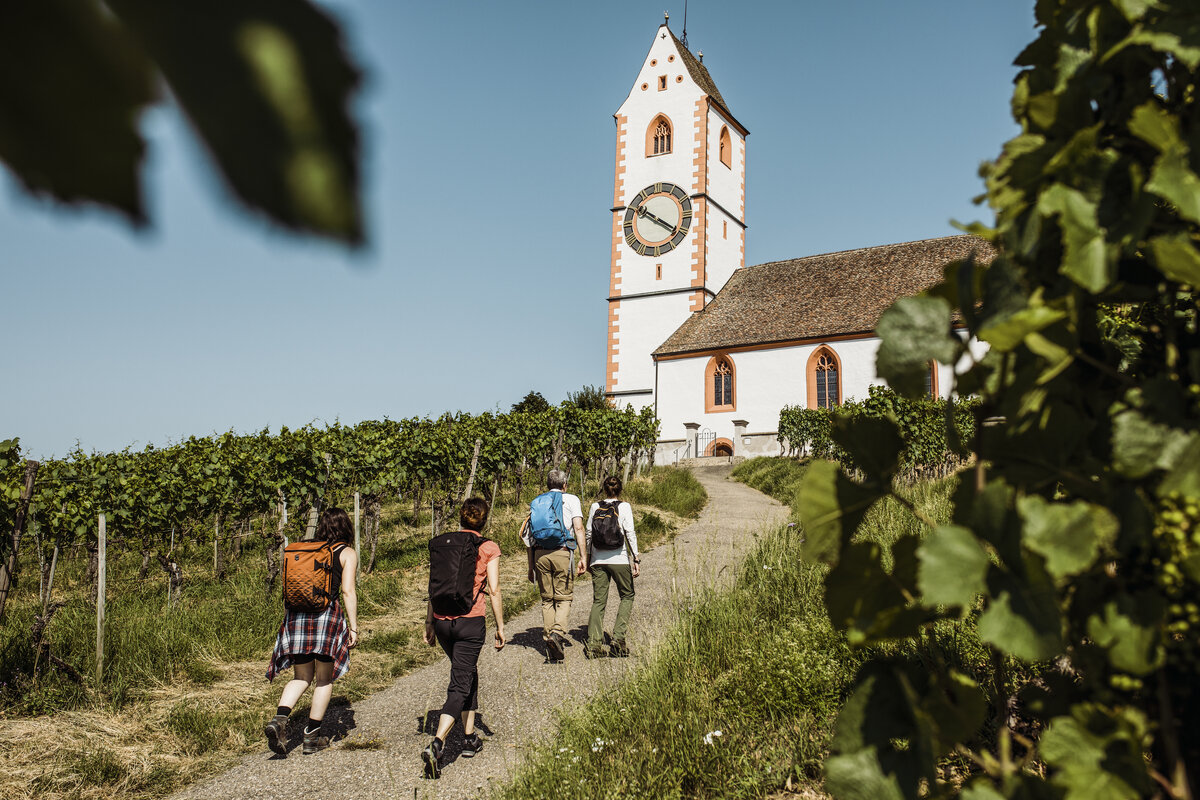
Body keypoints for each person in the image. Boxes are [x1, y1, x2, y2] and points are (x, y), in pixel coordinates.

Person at [421, 497, 505, 779]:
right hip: (471, 622)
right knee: (459, 682)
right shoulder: (488, 547)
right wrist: (501, 626)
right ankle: (438, 743)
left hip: (443, 622)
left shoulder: (443, 543)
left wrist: (429, 621)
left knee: (467, 673)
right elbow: (493, 590)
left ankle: (469, 738)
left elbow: (435, 584)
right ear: (484, 519)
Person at [264, 508, 359, 756]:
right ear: (346, 528)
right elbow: (348, 591)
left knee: (301, 676)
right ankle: (312, 737)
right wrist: (354, 626)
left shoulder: (309, 551)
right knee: (323, 678)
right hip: (326, 617)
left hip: (297, 617)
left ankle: (280, 719)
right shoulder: (346, 553)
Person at [524, 468, 587, 662]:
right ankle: (557, 634)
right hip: (562, 552)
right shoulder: (572, 500)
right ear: (565, 485)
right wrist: (583, 556)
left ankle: (548, 639)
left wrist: (530, 566)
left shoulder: (537, 502)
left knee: (546, 599)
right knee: (564, 597)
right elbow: (578, 527)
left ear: (547, 485)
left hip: (540, 554)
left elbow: (529, 537)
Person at [585, 475, 640, 658]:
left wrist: (587, 557)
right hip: (619, 558)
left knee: (599, 600)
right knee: (627, 595)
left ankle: (594, 644)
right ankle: (618, 639)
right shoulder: (624, 506)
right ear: (620, 489)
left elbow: (588, 533)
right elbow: (629, 532)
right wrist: (636, 559)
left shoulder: (595, 506)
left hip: (598, 560)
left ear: (604, 488)